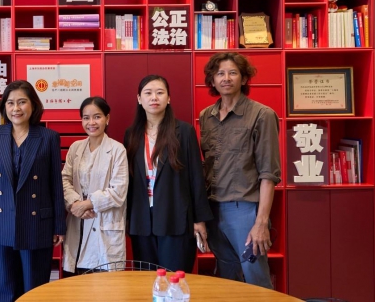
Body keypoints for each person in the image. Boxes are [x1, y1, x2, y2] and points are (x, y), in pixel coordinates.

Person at [0, 80, 65, 302]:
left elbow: (55, 184)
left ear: (33, 105)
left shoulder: (48, 137)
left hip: (37, 225)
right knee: (3, 289)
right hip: (0, 223)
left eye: (22, 102)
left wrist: (59, 226)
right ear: (4, 107)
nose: (16, 108)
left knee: (34, 290)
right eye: (10, 103)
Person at [199, 52, 281, 288]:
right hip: (213, 210)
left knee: (255, 276)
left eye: (233, 73)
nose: (226, 78)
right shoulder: (206, 116)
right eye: (220, 73)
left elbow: (269, 173)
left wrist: (261, 222)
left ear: (244, 79)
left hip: (244, 210)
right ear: (213, 80)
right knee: (227, 278)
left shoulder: (262, 115)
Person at [124, 75, 212, 273]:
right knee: (146, 279)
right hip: (142, 219)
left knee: (174, 278)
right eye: (148, 93)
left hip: (175, 217)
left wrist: (199, 220)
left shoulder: (184, 131)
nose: (154, 97)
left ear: (169, 98)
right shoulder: (131, 134)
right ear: (139, 99)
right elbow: (127, 179)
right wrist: (127, 218)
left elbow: (196, 177)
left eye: (160, 92)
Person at [62, 96, 128, 275]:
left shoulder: (117, 150)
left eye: (97, 117)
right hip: (78, 222)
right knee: (76, 281)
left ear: (107, 118)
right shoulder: (75, 148)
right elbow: (64, 180)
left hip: (104, 226)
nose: (91, 122)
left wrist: (86, 204)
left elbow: (118, 191)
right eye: (86, 118)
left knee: (104, 284)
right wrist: (75, 204)